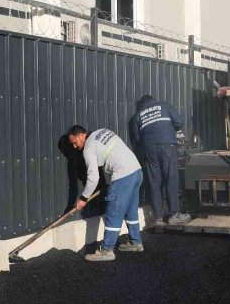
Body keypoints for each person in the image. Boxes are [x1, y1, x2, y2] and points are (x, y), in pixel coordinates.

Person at [68, 125, 144, 262]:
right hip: (136, 171)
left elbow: (93, 177)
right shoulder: (103, 131)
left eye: (75, 142)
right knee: (131, 210)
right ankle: (136, 242)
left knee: (113, 212)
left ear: (82, 135)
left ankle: (107, 250)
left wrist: (83, 198)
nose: (74, 146)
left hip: (122, 174)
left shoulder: (88, 148)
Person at [129, 95, 191, 226]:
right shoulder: (164, 105)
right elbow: (178, 122)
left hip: (149, 149)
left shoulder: (138, 115)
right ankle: (173, 215)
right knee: (171, 179)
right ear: (153, 100)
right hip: (167, 146)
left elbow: (136, 139)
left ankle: (158, 218)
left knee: (154, 183)